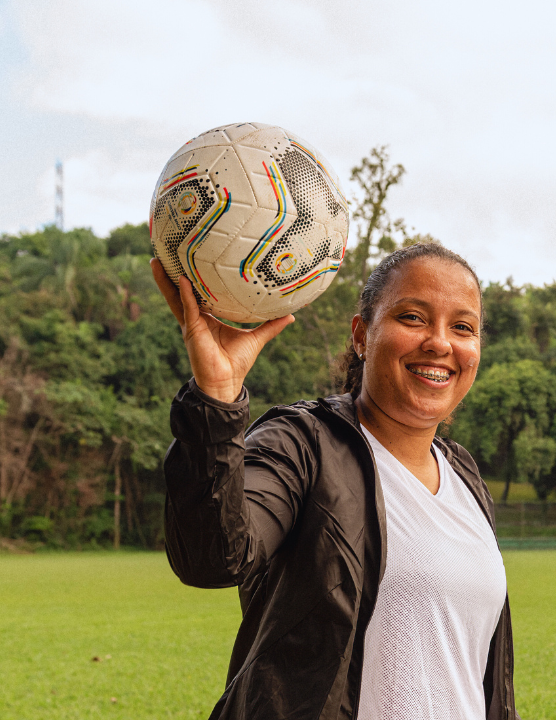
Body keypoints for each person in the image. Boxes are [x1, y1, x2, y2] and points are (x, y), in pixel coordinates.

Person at [153, 243, 519, 720]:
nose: (440, 343)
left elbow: (476, 677)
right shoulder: (303, 445)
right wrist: (216, 401)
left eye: (463, 327)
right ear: (362, 335)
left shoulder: (464, 476)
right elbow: (212, 557)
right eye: (412, 318)